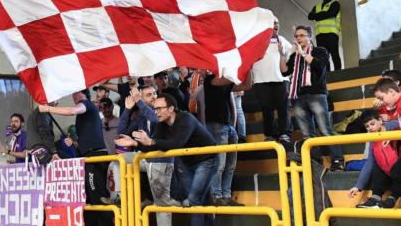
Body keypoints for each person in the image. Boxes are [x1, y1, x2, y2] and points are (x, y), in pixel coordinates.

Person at [115, 94, 218, 226]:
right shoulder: (161, 124)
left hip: (206, 159)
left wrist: (151, 141)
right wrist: (136, 144)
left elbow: (177, 143)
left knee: (194, 199)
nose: (156, 112)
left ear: (171, 109)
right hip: (186, 161)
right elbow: (154, 148)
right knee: (203, 199)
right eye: (154, 108)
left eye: (159, 108)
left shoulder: (186, 118)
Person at [40, 90, 112, 226]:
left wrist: (48, 108)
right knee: (88, 197)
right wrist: (74, 142)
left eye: (76, 93)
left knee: (97, 195)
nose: (73, 96)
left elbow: (72, 111)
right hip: (86, 156)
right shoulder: (84, 115)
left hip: (95, 156)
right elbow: (84, 141)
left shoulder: (86, 104)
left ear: (84, 94)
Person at [280, 25, 344, 171]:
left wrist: (302, 53)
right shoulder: (295, 56)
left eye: (302, 35)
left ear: (310, 37)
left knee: (325, 129)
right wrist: (283, 55)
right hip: (298, 96)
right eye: (296, 36)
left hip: (316, 94)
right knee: (307, 134)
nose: (298, 38)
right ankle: (315, 163)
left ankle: (337, 161)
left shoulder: (319, 50)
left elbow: (320, 65)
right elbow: (284, 72)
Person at [203, 71, 251, 206]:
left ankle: (226, 195)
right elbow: (231, 80)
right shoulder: (210, 79)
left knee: (230, 165)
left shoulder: (225, 82)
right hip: (216, 126)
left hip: (228, 126)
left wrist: (249, 67)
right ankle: (216, 196)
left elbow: (247, 85)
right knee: (220, 164)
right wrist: (244, 63)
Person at [349, 111, 401, 208]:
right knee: (376, 163)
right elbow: (369, 163)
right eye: (367, 127)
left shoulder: (394, 126)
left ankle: (393, 198)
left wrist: (393, 137)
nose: (370, 128)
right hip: (389, 172)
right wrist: (358, 186)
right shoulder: (373, 139)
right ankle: (376, 198)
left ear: (380, 120)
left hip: (399, 172)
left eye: (372, 124)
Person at [253, 18, 293, 142]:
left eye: (277, 23)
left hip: (281, 80)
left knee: (283, 107)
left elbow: (292, 56)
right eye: (273, 23)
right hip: (261, 80)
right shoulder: (255, 41)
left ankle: (284, 133)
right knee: (266, 108)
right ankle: (270, 134)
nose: (276, 25)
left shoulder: (282, 40)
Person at [308, 0, 342, 71]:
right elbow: (310, 16)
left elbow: (331, 13)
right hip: (320, 35)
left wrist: (317, 16)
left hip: (332, 33)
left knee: (334, 54)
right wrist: (325, 14)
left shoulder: (335, 4)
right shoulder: (317, 6)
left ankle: (338, 73)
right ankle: (327, 75)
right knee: (323, 56)